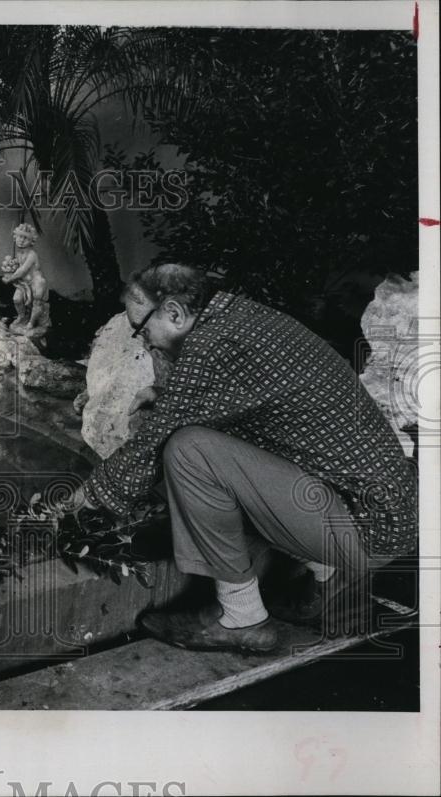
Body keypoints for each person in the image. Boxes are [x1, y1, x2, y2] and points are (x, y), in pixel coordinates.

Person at [61, 263, 417, 654]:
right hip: (386, 515)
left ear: (175, 313)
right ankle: (327, 586)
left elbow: (147, 449)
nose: (146, 343)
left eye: (142, 331)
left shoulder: (210, 345)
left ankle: (242, 618)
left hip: (367, 530)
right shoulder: (237, 318)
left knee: (188, 450)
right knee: (195, 438)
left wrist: (75, 505)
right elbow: (243, 407)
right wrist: (163, 397)